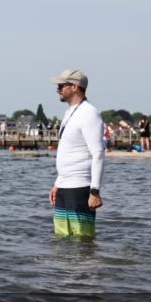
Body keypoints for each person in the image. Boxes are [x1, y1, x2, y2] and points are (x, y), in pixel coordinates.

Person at [48, 69, 104, 239]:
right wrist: (58, 182)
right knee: (61, 239)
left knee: (82, 240)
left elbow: (98, 153)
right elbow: (69, 151)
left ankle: (86, 266)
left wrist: (94, 191)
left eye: (61, 85)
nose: (57, 89)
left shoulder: (89, 113)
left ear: (74, 87)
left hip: (80, 187)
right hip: (64, 186)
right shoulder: (69, 112)